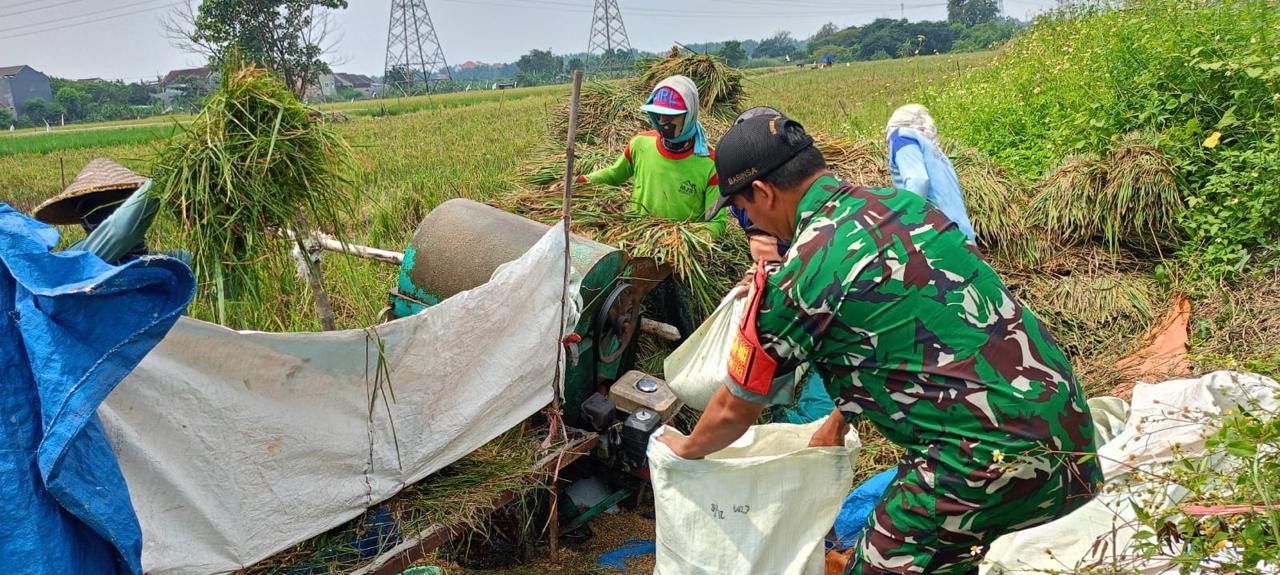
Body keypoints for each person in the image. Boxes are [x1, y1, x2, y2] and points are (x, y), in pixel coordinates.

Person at [661, 112, 1100, 574]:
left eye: (741, 208)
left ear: (764, 192)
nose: (746, 219)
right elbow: (900, 336)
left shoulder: (801, 275)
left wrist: (687, 449)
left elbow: (735, 407)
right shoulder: (908, 208)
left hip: (977, 462)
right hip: (1069, 436)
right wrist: (835, 422)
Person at [561, 75, 729, 339]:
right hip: (637, 244)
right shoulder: (641, 145)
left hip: (675, 259)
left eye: (671, 117)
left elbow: (717, 221)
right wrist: (583, 182)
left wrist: (696, 238)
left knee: (681, 315)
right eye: (657, 115)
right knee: (619, 302)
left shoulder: (709, 162)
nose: (663, 122)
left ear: (690, 114)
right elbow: (615, 175)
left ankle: (680, 352)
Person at [31, 157, 189, 265]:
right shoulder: (81, 255)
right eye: (97, 210)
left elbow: (195, 258)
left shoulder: (163, 260)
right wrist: (163, 180)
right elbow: (121, 233)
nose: (109, 215)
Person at [886, 104, 978, 243]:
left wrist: (908, 222)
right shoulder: (938, 154)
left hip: (937, 233)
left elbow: (918, 180)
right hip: (962, 234)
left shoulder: (902, 137)